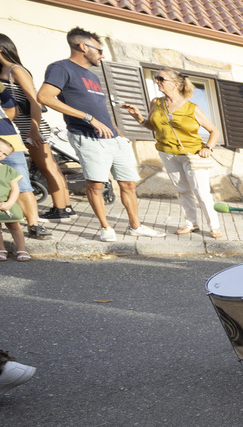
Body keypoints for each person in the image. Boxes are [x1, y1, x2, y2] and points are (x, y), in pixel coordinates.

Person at [37, 27, 163, 241]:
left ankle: (136, 226)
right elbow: (45, 96)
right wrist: (88, 118)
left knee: (128, 184)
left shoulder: (92, 76)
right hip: (87, 137)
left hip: (114, 139)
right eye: (99, 50)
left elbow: (100, 108)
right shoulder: (61, 68)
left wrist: (118, 131)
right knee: (96, 184)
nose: (102, 55)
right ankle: (106, 228)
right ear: (83, 47)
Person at [119, 67, 222, 237]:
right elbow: (152, 126)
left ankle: (214, 225)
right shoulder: (156, 103)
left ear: (175, 84)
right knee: (182, 190)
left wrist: (208, 148)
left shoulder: (191, 108)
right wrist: (138, 117)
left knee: (201, 192)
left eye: (161, 79)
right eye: (156, 78)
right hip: (167, 153)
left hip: (192, 154)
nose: (157, 81)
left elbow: (214, 131)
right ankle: (191, 223)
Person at [0, 34, 59, 234]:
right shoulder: (3, 72)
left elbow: (35, 101)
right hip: (19, 127)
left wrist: (34, 127)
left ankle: (61, 208)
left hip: (30, 126)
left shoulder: (16, 70)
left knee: (47, 167)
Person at [0, 136, 31, 261]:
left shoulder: (8, 170)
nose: (0, 154)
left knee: (14, 226)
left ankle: (22, 249)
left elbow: (15, 189)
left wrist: (9, 203)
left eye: (4, 154)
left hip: (7, 203)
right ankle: (1, 249)